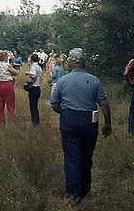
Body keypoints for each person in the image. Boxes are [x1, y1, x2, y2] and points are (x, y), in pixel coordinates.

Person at [50, 48, 112, 203]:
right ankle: (84, 189)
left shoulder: (63, 81)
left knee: (72, 157)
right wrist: (108, 123)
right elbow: (104, 104)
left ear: (71, 62)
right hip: (89, 121)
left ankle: (73, 194)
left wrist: (63, 112)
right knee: (86, 156)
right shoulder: (94, 80)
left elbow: (54, 103)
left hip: (69, 119)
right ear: (84, 62)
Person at [0, 51, 18, 130]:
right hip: (7, 85)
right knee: (10, 106)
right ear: (5, 57)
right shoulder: (7, 65)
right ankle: (12, 125)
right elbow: (15, 73)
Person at [25, 53, 42, 125]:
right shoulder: (39, 67)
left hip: (33, 88)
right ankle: (36, 120)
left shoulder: (33, 67)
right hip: (38, 88)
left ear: (32, 59)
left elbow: (34, 76)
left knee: (32, 106)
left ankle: (34, 122)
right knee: (35, 106)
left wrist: (28, 73)